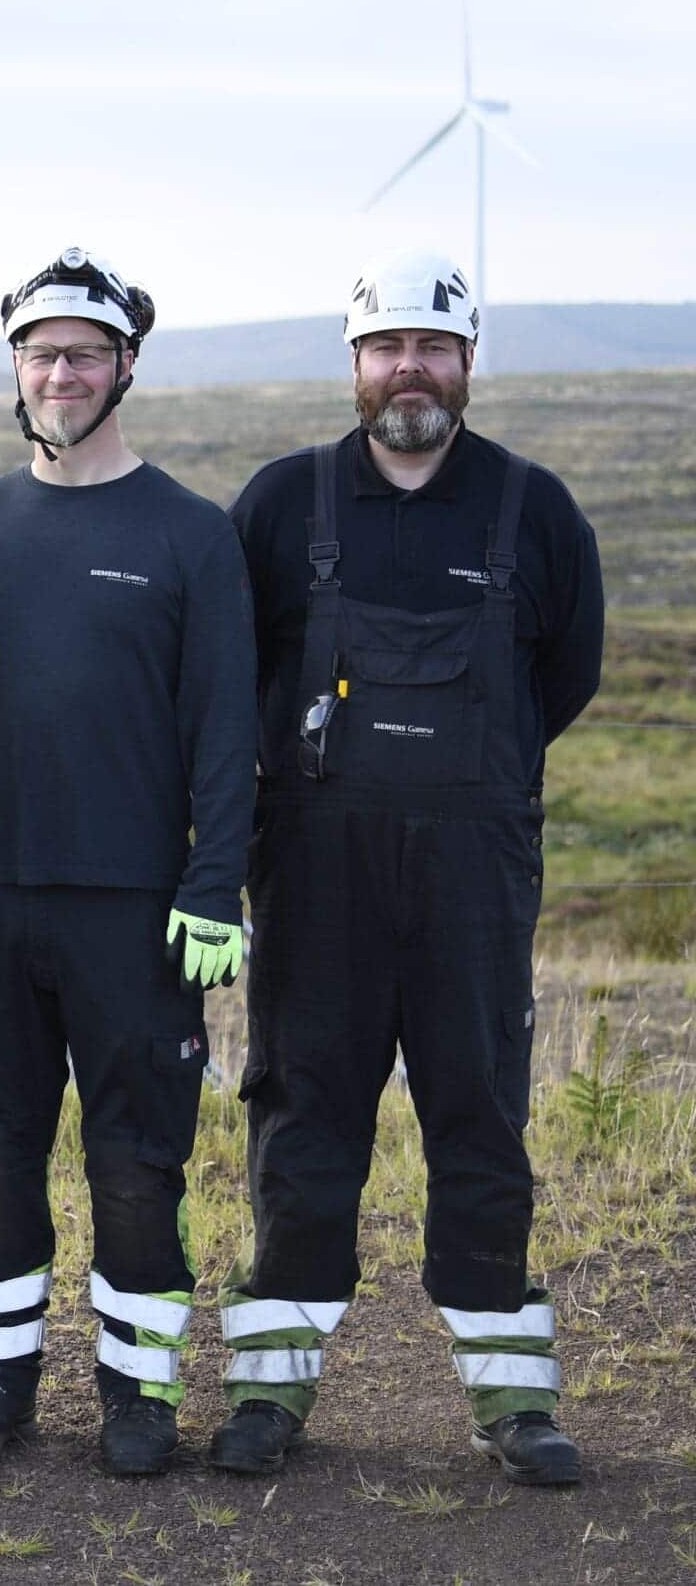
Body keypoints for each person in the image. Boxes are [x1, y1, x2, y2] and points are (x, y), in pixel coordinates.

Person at [209, 251, 603, 1486]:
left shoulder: (533, 510)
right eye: (387, 348)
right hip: (315, 874)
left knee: (479, 1114)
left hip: (472, 879)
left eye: (434, 347)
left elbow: (568, 678)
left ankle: (512, 1406)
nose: (410, 369)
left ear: (469, 364)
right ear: (356, 365)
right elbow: (225, 680)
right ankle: (269, 1397)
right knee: (303, 1114)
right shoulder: (282, 504)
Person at [0, 248, 256, 1476]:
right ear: (15, 369)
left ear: (125, 368)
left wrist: (213, 888)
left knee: (137, 1159)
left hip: (136, 912)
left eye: (83, 355)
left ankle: (138, 1397)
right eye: (40, 354)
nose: (59, 373)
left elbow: (226, 729)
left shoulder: (190, 534)